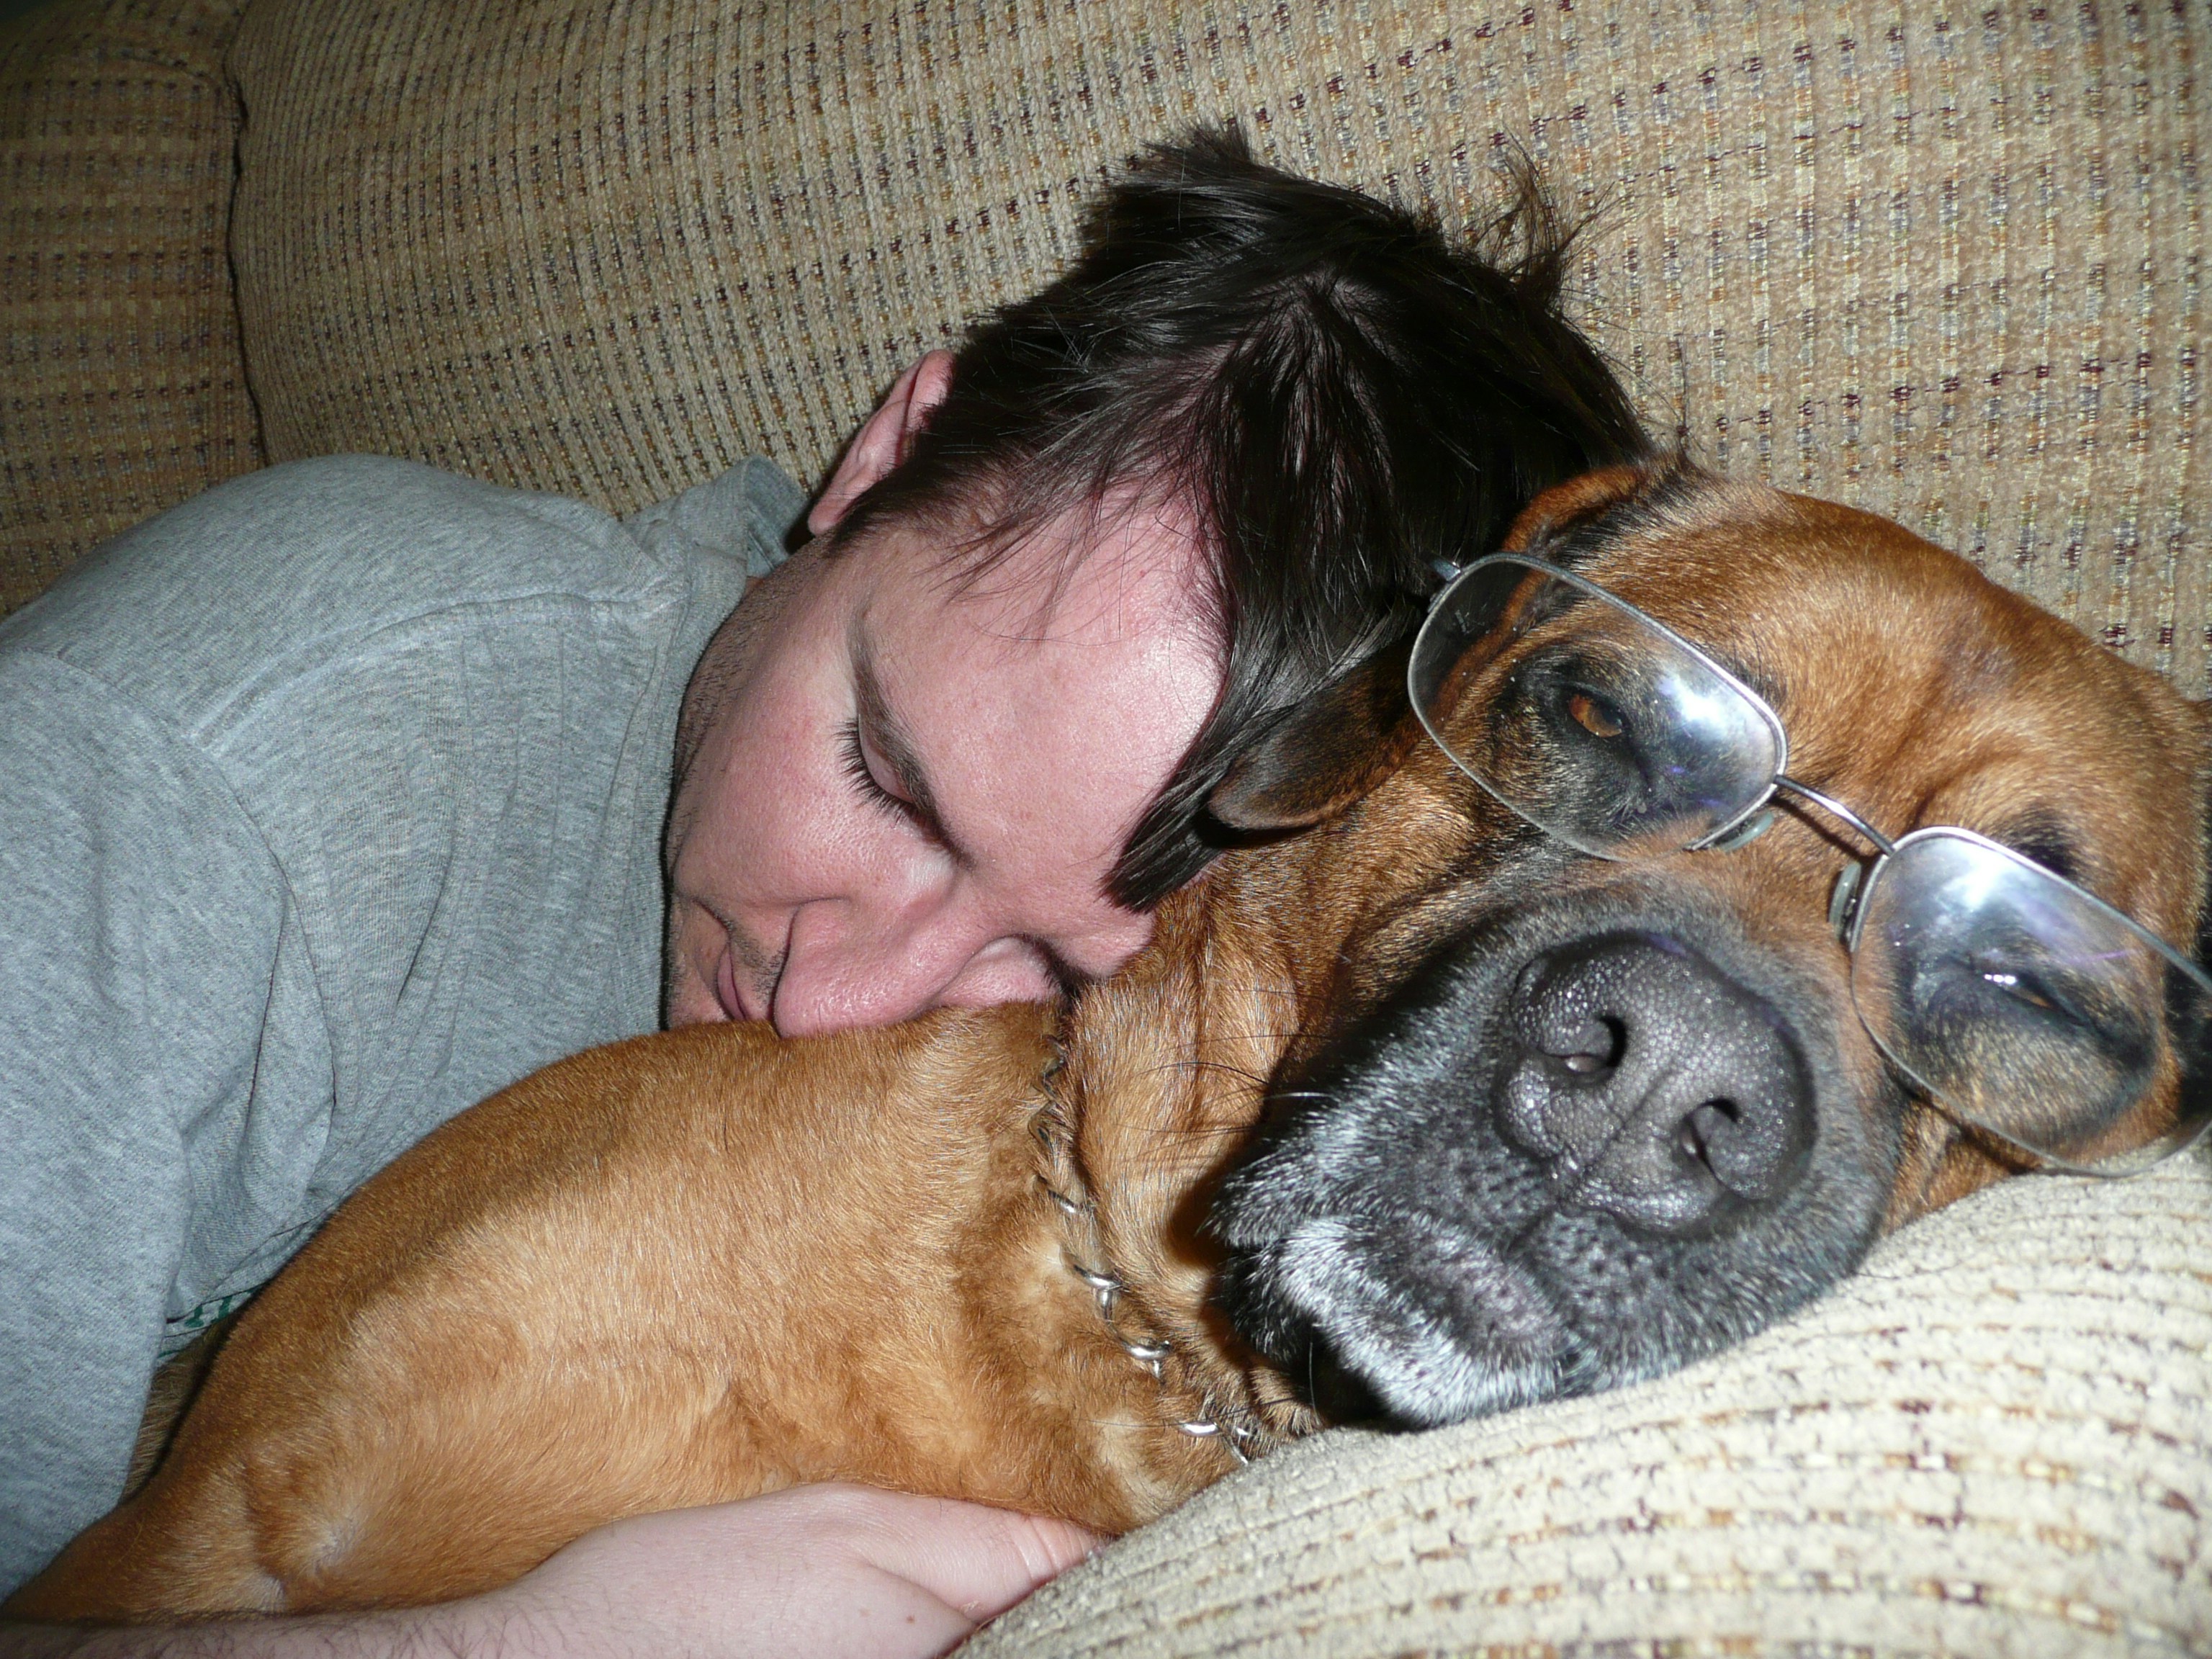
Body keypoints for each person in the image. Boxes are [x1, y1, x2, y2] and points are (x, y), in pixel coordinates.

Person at [0, 127, 1644, 1653]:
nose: (833, 1008)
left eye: (1062, 978)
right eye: (887, 778)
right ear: (883, 458)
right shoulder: (216, 771)